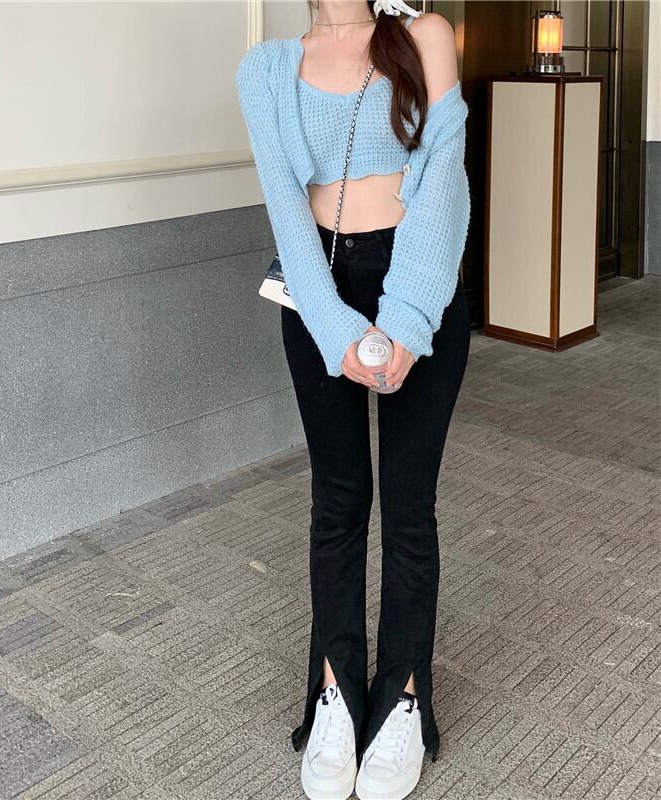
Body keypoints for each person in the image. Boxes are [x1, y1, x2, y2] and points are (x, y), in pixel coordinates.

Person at [235, 1, 471, 798]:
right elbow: (285, 209)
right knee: (337, 500)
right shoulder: (266, 69)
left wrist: (405, 320)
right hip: (318, 289)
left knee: (409, 505)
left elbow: (443, 178)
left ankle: (403, 698)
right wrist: (337, 329)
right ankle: (335, 692)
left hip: (421, 279)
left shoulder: (423, 35)